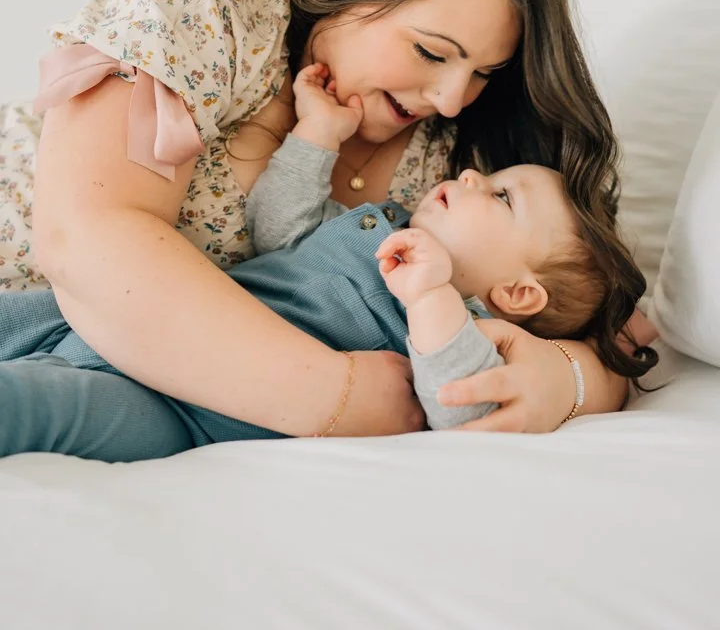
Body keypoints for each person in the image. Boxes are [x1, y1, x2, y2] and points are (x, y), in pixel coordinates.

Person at [0, 0, 654, 440]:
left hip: (124, 385)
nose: (455, 98)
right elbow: (88, 240)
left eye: (485, 71)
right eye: (431, 51)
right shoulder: (230, 5)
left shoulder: (468, 158)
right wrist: (332, 395)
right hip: (36, 303)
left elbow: (592, 314)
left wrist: (566, 379)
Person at [0, 61, 653, 459]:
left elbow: (461, 409)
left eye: (503, 196)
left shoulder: (469, 326)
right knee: (19, 318)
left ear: (518, 293)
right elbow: (282, 230)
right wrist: (317, 135)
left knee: (42, 406)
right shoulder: (383, 224)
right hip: (128, 326)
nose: (475, 180)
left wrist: (430, 298)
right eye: (489, 175)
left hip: (183, 412)